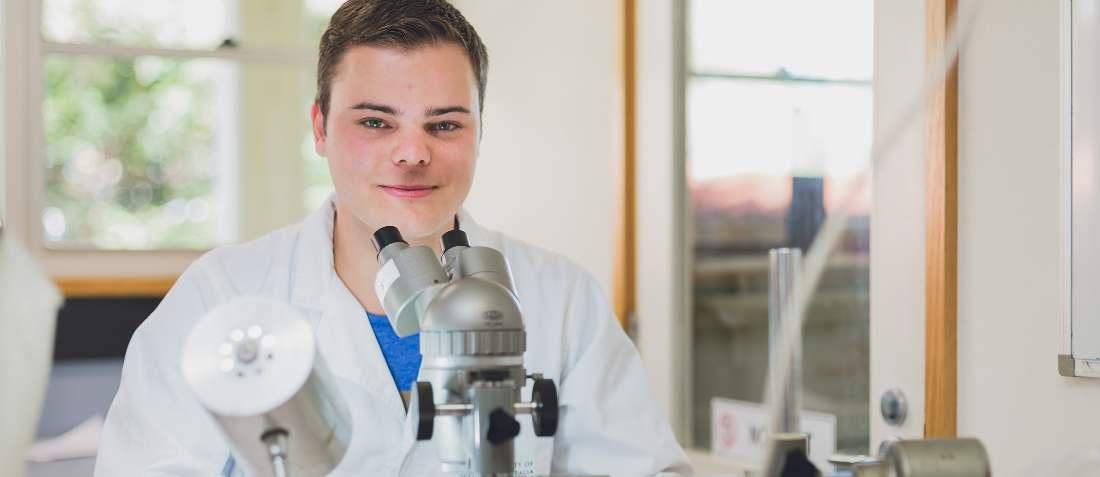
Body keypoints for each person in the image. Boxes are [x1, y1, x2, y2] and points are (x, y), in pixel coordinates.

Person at [94, 0, 690, 475]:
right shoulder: (221, 299)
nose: (411, 153)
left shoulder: (562, 299)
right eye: (375, 122)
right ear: (320, 128)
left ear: (480, 132)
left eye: (444, 124)